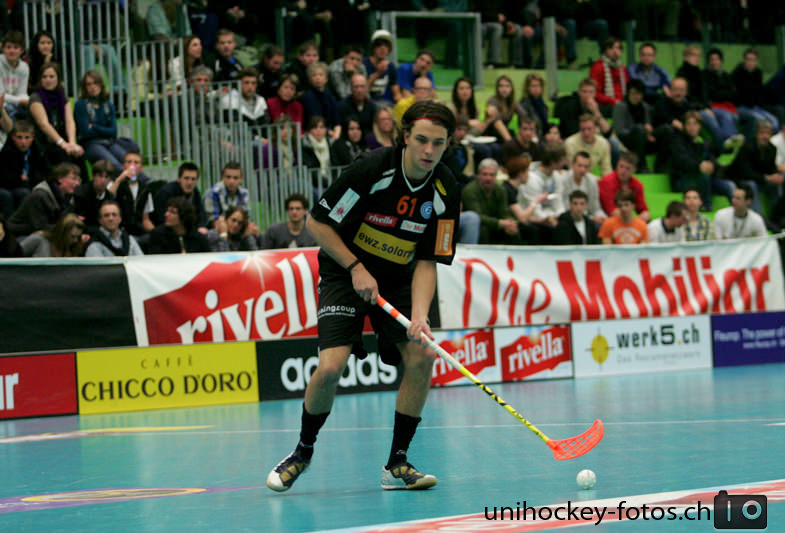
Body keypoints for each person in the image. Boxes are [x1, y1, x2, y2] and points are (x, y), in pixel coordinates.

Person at [266, 101, 460, 493]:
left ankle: (397, 463)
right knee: (331, 368)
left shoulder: (445, 190)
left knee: (422, 356)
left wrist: (420, 315)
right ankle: (302, 452)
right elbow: (318, 223)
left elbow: (428, 260)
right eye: (421, 140)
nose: (428, 151)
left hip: (399, 277)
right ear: (405, 136)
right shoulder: (372, 169)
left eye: (438, 143)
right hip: (344, 270)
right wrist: (355, 266)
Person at [74, 70, 139, 171]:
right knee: (115, 165)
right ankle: (128, 180)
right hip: (91, 145)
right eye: (89, 84)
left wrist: (94, 127)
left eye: (96, 83)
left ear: (101, 85)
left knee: (130, 163)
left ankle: (142, 180)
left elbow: (113, 132)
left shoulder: (108, 105)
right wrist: (104, 130)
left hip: (110, 142)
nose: (93, 87)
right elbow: (86, 133)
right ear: (84, 87)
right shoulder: (80, 104)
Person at [670, 111, 734, 210]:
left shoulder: (705, 141)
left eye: (695, 124)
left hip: (706, 178)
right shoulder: (678, 141)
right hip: (684, 179)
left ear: (700, 126)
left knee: (729, 186)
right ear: (684, 126)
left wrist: (712, 165)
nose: (692, 127)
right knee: (703, 178)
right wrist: (699, 166)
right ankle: (706, 207)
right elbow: (682, 162)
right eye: (688, 124)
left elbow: (712, 157)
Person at [29, 62, 85, 168]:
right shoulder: (35, 98)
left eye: (51, 76)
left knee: (78, 155)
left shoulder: (62, 96)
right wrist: (63, 144)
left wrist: (72, 143)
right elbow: (43, 124)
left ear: (58, 79)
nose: (48, 80)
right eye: (44, 77)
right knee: (64, 156)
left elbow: (69, 121)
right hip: (43, 143)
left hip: (61, 141)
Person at [8, 162, 79, 236]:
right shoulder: (39, 195)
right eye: (73, 179)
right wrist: (68, 226)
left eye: (78, 180)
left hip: (42, 233)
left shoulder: (68, 198)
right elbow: (41, 227)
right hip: (20, 235)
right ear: (60, 178)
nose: (77, 183)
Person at [728, 120, 783, 215]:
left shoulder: (772, 149)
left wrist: (776, 176)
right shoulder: (747, 147)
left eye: (768, 133)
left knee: (777, 184)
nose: (765, 136)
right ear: (756, 134)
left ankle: (777, 216)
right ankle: (758, 215)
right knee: (752, 185)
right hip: (741, 179)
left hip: (761, 179)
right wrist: (766, 178)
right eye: (762, 133)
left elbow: (771, 168)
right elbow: (745, 172)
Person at [460, 158, 521, 244]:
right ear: (478, 175)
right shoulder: (469, 190)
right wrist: (499, 223)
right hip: (479, 225)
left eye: (492, 175)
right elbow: (478, 216)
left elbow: (504, 212)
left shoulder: (500, 189)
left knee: (514, 229)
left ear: (496, 176)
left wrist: (510, 222)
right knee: (483, 229)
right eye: (485, 174)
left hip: (495, 224)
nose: (488, 178)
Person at [517, 143, 567, 243]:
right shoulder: (531, 179)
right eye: (562, 160)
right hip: (532, 219)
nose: (565, 162)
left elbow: (559, 203)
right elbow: (535, 211)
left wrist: (559, 217)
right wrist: (549, 219)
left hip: (550, 216)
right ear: (553, 162)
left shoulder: (557, 176)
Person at [0, 120, 48, 218]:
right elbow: (5, 177)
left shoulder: (37, 151)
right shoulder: (7, 152)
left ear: (32, 137)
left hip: (28, 184)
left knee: (29, 193)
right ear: (13, 137)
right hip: (7, 186)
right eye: (19, 137)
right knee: (9, 195)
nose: (23, 142)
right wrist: (20, 178)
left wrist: (29, 179)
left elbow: (44, 170)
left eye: (27, 138)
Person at [732, 48, 780, 139]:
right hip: (741, 107)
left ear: (756, 61)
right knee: (759, 120)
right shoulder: (737, 73)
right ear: (744, 60)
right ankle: (749, 143)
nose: (751, 63)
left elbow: (759, 93)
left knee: (775, 122)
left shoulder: (758, 73)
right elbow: (740, 96)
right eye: (748, 59)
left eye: (753, 60)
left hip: (756, 107)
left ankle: (769, 144)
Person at [108, 150, 155, 239]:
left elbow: (145, 219)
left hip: (138, 232)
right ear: (123, 165)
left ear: (141, 168)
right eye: (129, 162)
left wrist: (157, 233)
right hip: (119, 232)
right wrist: (119, 179)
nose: (132, 165)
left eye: (136, 162)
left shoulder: (145, 189)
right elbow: (106, 198)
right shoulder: (115, 183)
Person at [612, 79, 655, 172]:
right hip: (626, 140)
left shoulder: (645, 107)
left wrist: (648, 133)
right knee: (639, 129)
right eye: (633, 93)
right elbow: (619, 131)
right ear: (628, 93)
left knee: (665, 130)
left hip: (643, 140)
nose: (636, 96)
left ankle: (662, 166)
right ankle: (641, 165)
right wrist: (639, 130)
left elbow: (648, 125)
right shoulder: (620, 107)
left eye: (639, 94)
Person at [153, 162, 208, 232]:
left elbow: (201, 214)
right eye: (186, 178)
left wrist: (201, 227)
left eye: (193, 179)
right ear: (179, 179)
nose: (189, 183)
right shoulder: (166, 193)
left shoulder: (195, 192)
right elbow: (161, 218)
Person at [556, 151, 606, 224]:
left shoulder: (592, 181)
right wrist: (591, 219)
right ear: (572, 165)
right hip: (568, 219)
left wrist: (602, 218)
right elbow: (562, 208)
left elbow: (595, 208)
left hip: (588, 220)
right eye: (579, 166)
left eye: (586, 167)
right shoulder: (563, 180)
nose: (582, 170)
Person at [598, 153, 650, 222]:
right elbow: (610, 210)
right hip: (606, 219)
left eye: (628, 168)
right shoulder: (606, 181)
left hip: (627, 218)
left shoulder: (637, 185)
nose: (623, 171)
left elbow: (642, 209)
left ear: (634, 170)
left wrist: (645, 215)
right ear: (617, 165)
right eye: (621, 166)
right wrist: (634, 222)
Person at [202, 161, 251, 228]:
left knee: (252, 229)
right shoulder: (213, 192)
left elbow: (246, 217)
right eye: (228, 177)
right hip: (215, 228)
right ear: (222, 177)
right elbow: (213, 221)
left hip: (237, 226)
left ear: (241, 179)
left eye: (235, 178)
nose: (231, 181)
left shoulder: (244, 193)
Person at [589, 37, 628, 115]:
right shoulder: (598, 67)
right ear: (605, 50)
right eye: (611, 48)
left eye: (618, 48)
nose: (615, 51)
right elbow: (594, 93)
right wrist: (613, 101)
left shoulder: (622, 68)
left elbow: (628, 88)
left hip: (621, 103)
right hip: (605, 105)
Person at [74, 159, 114, 234]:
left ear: (110, 180)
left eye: (106, 177)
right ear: (93, 176)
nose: (103, 180)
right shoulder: (81, 193)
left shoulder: (110, 198)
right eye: (100, 176)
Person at [301, 62, 340, 139]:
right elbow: (314, 121)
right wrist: (330, 132)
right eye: (314, 75)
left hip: (331, 132)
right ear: (310, 79)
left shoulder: (330, 95)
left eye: (321, 75)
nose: (318, 78)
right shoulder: (308, 97)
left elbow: (336, 120)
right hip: (315, 132)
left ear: (326, 79)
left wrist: (336, 133)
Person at [21, 212, 87, 257]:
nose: (75, 240)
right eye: (72, 236)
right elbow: (16, 257)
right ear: (62, 233)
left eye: (78, 237)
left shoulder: (74, 247)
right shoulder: (38, 240)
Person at [363, 30, 400, 105]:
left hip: (386, 104)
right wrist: (378, 73)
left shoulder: (391, 66)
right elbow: (361, 91)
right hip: (367, 103)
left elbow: (396, 94)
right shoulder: (364, 64)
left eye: (386, 46)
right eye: (379, 45)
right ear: (373, 47)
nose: (383, 49)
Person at [0, 30, 29, 118]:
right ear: (3, 49)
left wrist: (29, 101)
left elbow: (22, 93)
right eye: (8, 47)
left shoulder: (24, 67)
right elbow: (0, 96)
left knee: (35, 106)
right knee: (9, 109)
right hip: (3, 105)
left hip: (14, 104)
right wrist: (20, 101)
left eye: (16, 48)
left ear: (22, 50)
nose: (12, 51)